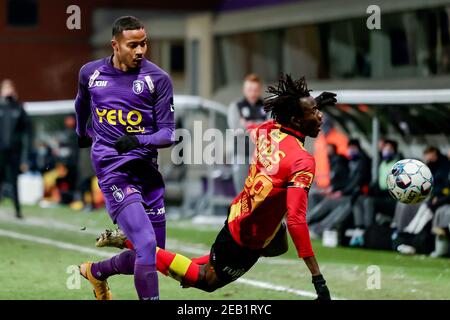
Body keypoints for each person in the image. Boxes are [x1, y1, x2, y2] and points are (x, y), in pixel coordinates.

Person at [96, 75, 336, 300]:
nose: (320, 116)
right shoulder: (302, 161)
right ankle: (134, 243)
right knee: (205, 281)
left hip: (241, 215)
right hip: (245, 235)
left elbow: (265, 126)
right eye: (314, 112)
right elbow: (296, 220)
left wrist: (313, 104)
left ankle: (169, 256)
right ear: (296, 119)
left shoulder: (267, 132)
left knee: (277, 244)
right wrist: (317, 277)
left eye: (316, 110)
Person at [75, 16, 175, 300]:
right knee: (145, 243)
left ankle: (96, 271)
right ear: (115, 45)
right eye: (133, 45)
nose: (141, 50)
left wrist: (139, 140)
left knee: (153, 254)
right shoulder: (90, 73)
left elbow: (168, 133)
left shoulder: (158, 79)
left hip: (147, 173)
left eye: (144, 43)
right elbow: (81, 102)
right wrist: (82, 131)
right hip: (113, 169)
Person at [308, 139, 371, 238]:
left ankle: (317, 229)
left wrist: (341, 192)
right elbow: (348, 181)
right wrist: (336, 190)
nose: (350, 150)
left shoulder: (361, 163)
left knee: (334, 204)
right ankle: (308, 224)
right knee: (316, 197)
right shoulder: (351, 162)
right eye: (350, 148)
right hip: (347, 194)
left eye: (353, 148)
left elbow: (355, 182)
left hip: (354, 196)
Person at [350, 139, 401, 246]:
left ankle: (369, 232)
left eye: (389, 149)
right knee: (358, 199)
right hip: (382, 197)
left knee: (369, 202)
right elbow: (378, 183)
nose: (386, 151)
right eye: (385, 149)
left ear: (395, 151)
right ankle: (359, 229)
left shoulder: (398, 165)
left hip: (392, 200)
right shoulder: (382, 164)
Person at [227, 74, 268, 194]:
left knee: (261, 192)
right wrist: (259, 125)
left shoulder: (267, 107)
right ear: (244, 90)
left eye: (255, 90)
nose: (253, 93)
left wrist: (247, 124)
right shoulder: (236, 107)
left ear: (260, 90)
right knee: (242, 192)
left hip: (262, 156)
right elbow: (236, 129)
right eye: (250, 89)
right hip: (241, 154)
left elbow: (270, 128)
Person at [0, 79, 32, 219]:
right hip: (0, 152)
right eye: (5, 88)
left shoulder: (19, 108)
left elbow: (27, 133)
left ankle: (17, 210)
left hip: (14, 152)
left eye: (10, 88)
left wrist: (25, 157)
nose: (8, 91)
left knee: (14, 181)